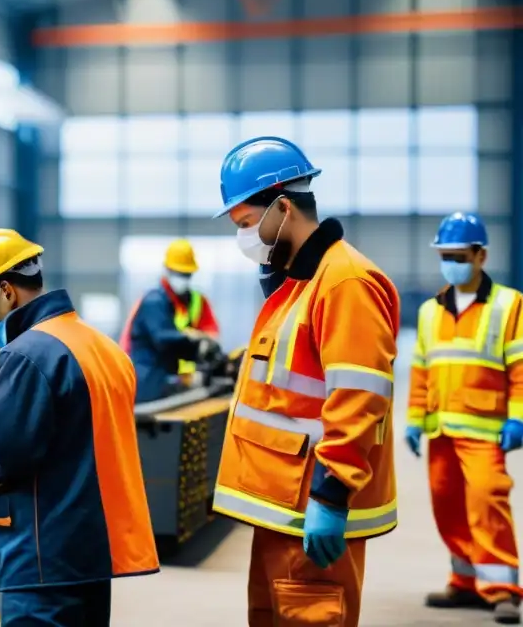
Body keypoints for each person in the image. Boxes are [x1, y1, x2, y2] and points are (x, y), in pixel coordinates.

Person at [0, 228, 159, 626]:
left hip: (43, 560)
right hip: (89, 554)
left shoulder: (28, 355)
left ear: (7, 291)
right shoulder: (102, 348)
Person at [210, 136, 399, 627]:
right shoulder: (302, 283)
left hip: (310, 507)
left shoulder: (345, 282)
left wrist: (332, 493)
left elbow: (360, 396)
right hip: (280, 509)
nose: (245, 237)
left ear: (283, 207)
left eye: (248, 224)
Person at [406, 212, 523, 625]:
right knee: (448, 505)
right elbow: (421, 368)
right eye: (445, 255)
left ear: (481, 256)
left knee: (487, 501)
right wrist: (414, 420)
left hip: (485, 429)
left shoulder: (509, 305)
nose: (450, 262)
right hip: (440, 428)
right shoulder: (428, 311)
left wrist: (517, 418)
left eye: (458, 255)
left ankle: (504, 590)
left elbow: (520, 368)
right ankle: (466, 582)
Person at [119, 238, 222, 402]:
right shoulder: (154, 302)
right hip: (148, 385)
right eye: (178, 273)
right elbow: (162, 338)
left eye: (186, 274)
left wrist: (203, 348)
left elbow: (209, 333)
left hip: (168, 381)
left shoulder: (189, 301)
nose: (182, 278)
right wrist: (191, 337)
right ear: (166, 270)